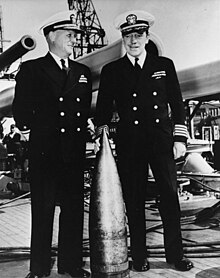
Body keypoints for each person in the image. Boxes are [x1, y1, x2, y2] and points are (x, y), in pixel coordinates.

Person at [94, 10, 194, 272]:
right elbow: (102, 109)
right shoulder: (112, 70)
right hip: (130, 142)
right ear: (123, 39)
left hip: (161, 141)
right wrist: (103, 138)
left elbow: (177, 103)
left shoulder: (164, 66)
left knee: (169, 196)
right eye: (128, 35)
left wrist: (180, 138)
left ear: (147, 36)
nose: (134, 40)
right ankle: (139, 256)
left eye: (139, 34)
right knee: (134, 199)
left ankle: (176, 254)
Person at [12, 10, 92, 278]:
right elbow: (21, 111)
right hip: (46, 153)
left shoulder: (83, 72)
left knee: (73, 212)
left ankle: (71, 265)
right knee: (43, 213)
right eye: (69, 35)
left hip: (74, 153)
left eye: (75, 36)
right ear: (51, 36)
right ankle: (39, 269)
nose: (74, 40)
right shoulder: (33, 69)